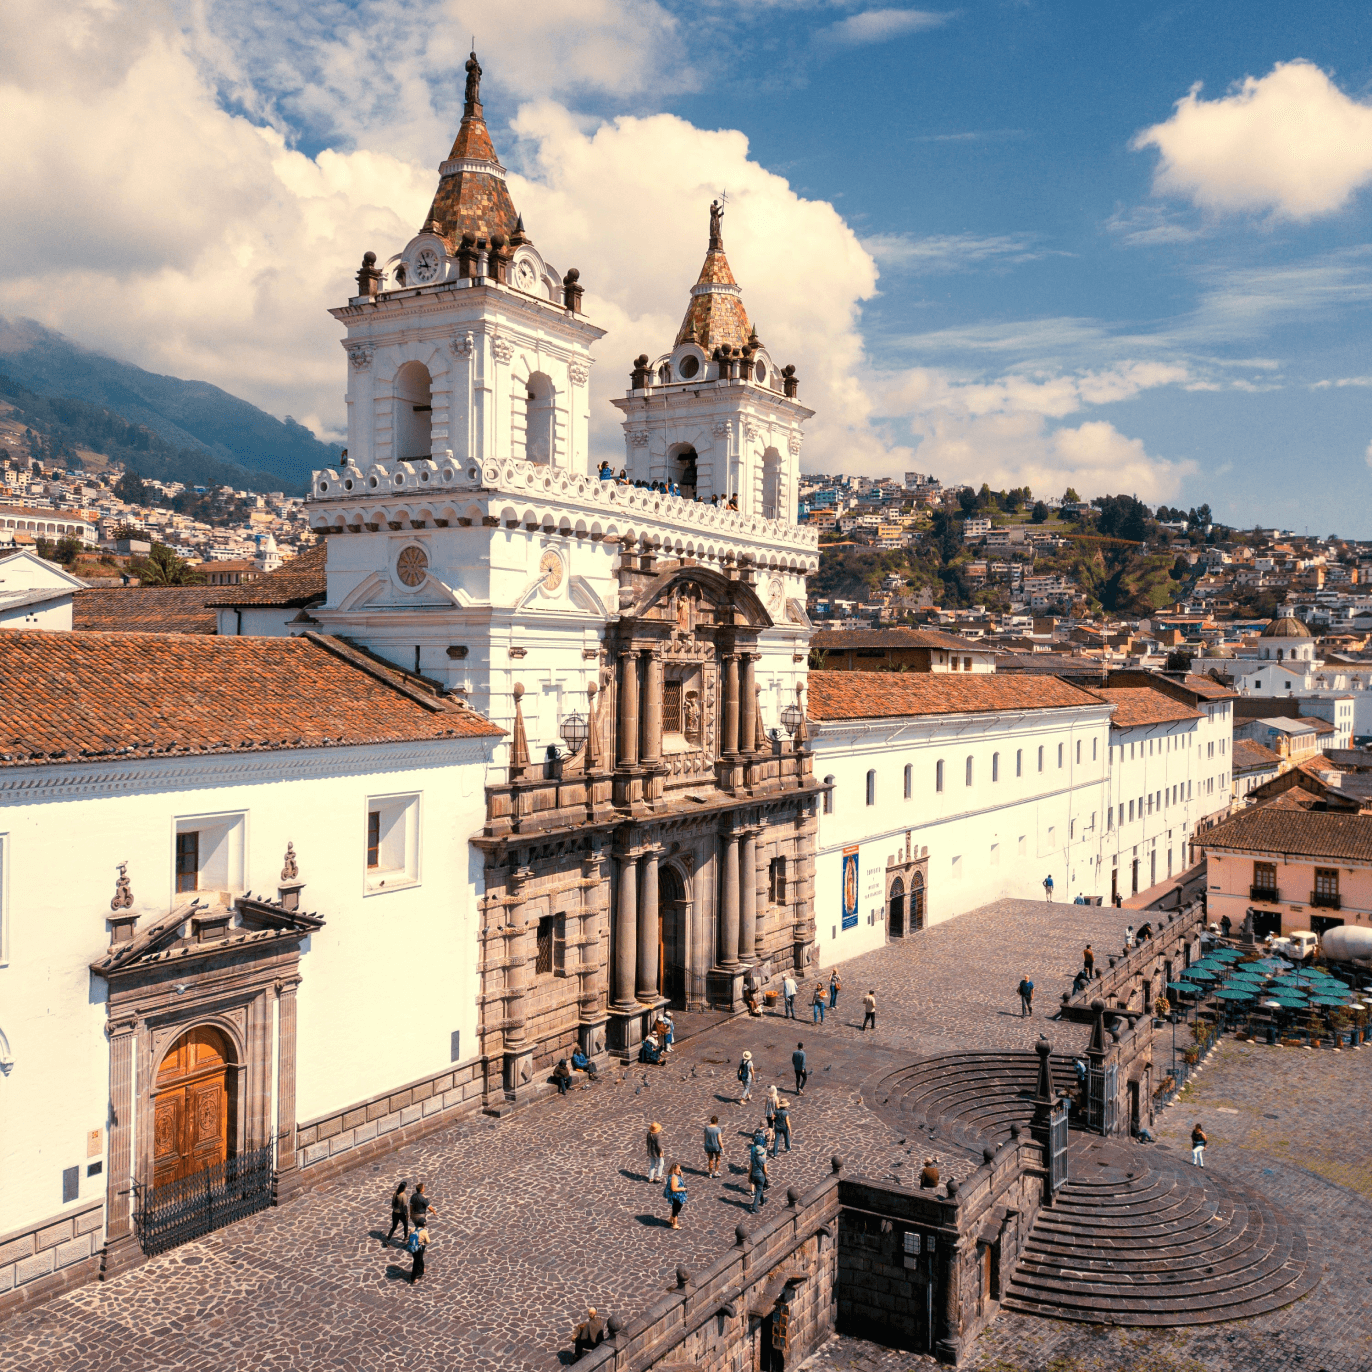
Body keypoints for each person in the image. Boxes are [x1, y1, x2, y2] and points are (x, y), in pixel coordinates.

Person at [748, 1133, 769, 1213]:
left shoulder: (753, 1159)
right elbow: (765, 1171)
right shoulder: (763, 1160)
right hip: (760, 1176)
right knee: (759, 1191)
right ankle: (754, 1207)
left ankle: (763, 1200)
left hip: (753, 1175)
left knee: (759, 1189)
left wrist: (749, 1177)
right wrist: (765, 1177)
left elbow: (750, 1169)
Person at [385, 1180, 410, 1247]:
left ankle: (388, 1240)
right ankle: (405, 1237)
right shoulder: (403, 1196)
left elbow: (392, 1202)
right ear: (404, 1188)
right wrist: (407, 1214)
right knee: (405, 1224)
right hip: (401, 1213)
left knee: (394, 1227)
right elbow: (404, 1206)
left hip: (395, 1212)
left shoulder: (395, 1193)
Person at [665, 1162, 688, 1229]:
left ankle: (670, 1220)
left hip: (677, 1196)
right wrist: (682, 1189)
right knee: (676, 1210)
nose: (680, 1170)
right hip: (676, 1196)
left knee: (676, 1208)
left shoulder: (674, 1175)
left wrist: (680, 1174)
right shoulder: (674, 1177)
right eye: (679, 1168)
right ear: (674, 1169)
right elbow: (674, 1188)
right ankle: (675, 1224)